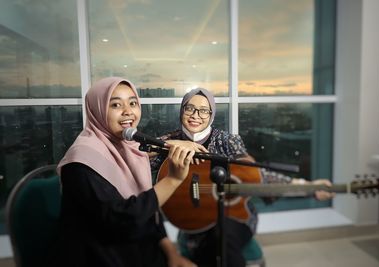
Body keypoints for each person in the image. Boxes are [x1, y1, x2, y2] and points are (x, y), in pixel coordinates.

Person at [150, 88, 335, 267]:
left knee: (221, 240)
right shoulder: (170, 140)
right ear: (182, 110)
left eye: (204, 110)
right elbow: (137, 152)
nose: (195, 115)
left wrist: (308, 186)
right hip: (194, 217)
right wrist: (174, 144)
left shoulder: (227, 141)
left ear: (212, 114)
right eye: (189, 108)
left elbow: (256, 174)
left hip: (236, 215)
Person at [49, 77, 198, 267]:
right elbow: (123, 221)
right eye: (116, 105)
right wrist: (173, 180)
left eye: (133, 103)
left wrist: (172, 254)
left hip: (139, 250)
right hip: (100, 258)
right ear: (98, 110)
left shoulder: (127, 149)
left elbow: (149, 215)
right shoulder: (81, 162)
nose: (128, 112)